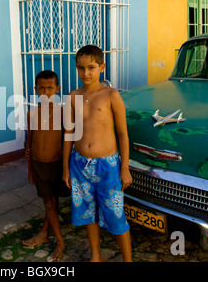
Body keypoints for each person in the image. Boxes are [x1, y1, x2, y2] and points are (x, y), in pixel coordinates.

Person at [62, 45, 133, 262]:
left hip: (108, 166)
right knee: (87, 212)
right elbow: (69, 133)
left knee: (115, 215)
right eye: (81, 68)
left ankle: (127, 260)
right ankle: (96, 255)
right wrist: (65, 168)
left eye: (91, 67)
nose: (86, 73)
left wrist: (124, 168)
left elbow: (122, 134)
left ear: (102, 67)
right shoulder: (73, 97)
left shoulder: (110, 95)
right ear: (76, 69)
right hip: (79, 165)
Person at [23, 70, 69, 261]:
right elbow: (29, 143)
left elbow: (68, 142)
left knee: (53, 202)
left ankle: (48, 235)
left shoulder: (64, 113)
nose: (45, 92)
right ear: (35, 89)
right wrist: (29, 167)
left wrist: (66, 169)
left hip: (56, 165)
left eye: (50, 88)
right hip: (38, 165)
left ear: (57, 89)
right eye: (41, 88)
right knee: (49, 203)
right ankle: (58, 239)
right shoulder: (32, 113)